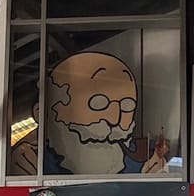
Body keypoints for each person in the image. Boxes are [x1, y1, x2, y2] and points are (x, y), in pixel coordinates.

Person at [11, 51, 169, 175]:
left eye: (127, 106)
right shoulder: (35, 163)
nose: (115, 119)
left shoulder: (144, 159)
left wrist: (160, 173)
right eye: (98, 104)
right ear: (43, 113)